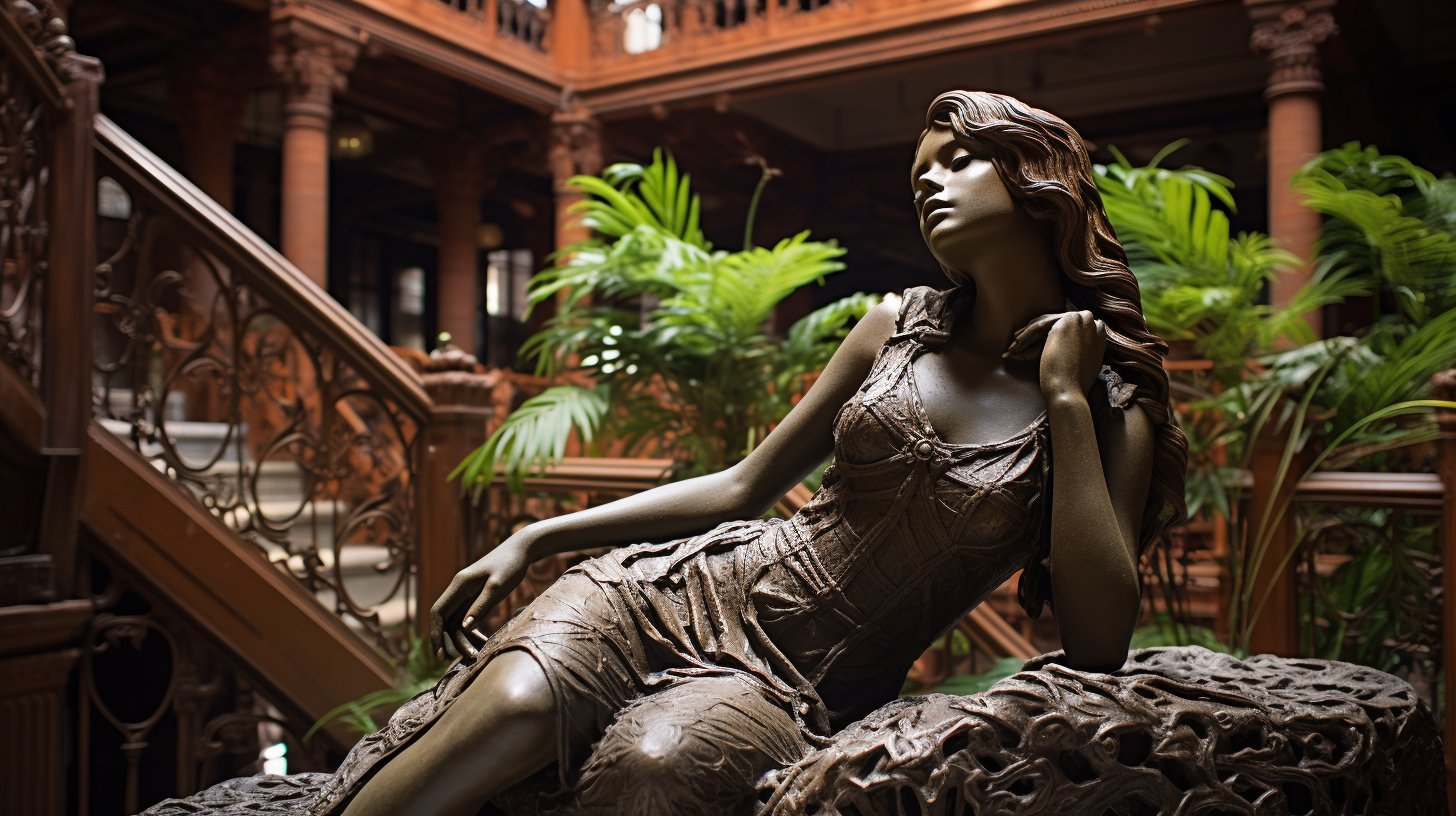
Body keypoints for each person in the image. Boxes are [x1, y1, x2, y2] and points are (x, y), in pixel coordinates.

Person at [322, 90, 1188, 816]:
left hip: (803, 684)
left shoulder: (1114, 401)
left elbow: (1098, 638)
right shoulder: (895, 327)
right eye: (919, 169)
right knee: (508, 711)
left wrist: (1067, 398)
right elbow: (744, 484)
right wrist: (536, 539)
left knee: (653, 770)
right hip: (678, 593)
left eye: (958, 159)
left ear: (1042, 180)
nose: (929, 181)